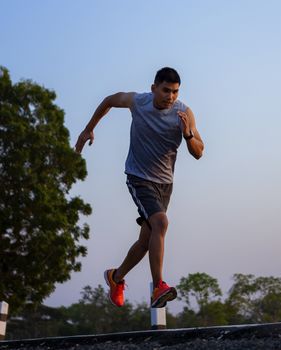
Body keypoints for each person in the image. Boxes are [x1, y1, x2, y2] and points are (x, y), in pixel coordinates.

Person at [75, 67, 204, 308]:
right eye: (166, 90)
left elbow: (199, 152)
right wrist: (89, 127)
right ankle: (158, 288)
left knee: (147, 241)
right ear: (154, 88)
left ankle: (116, 277)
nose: (170, 97)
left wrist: (188, 135)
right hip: (138, 177)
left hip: (165, 184)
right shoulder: (138, 102)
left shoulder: (184, 113)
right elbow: (109, 100)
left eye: (175, 92)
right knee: (161, 223)